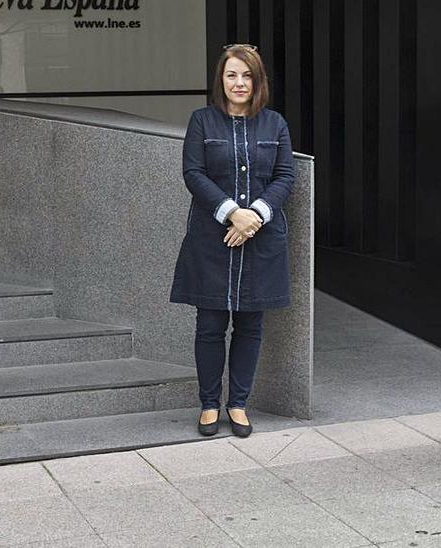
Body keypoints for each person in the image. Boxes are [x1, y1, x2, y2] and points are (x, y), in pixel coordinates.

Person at [170, 44, 296, 439]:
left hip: (260, 239)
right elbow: (193, 173)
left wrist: (254, 215)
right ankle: (209, 403)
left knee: (250, 325)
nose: (239, 83)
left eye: (247, 76)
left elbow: (285, 176)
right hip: (213, 238)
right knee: (209, 325)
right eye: (231, 75)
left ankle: (238, 403)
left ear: (258, 81)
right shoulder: (202, 121)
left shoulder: (274, 124)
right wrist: (230, 212)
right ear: (220, 80)